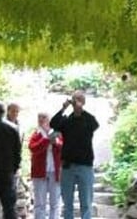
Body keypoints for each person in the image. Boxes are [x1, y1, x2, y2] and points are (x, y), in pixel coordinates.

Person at [50, 90, 99, 219]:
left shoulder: (88, 120)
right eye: (74, 99)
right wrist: (63, 107)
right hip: (68, 166)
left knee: (86, 203)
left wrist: (81, 110)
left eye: (79, 99)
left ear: (83, 102)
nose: (76, 102)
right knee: (67, 203)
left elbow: (95, 125)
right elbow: (53, 124)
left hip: (85, 166)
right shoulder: (67, 120)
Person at [0, 102, 23, 219]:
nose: (15, 114)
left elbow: (18, 149)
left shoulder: (19, 126)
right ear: (8, 111)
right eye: (13, 111)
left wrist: (17, 166)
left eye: (17, 111)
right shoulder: (2, 125)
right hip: (0, 167)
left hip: (13, 167)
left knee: (11, 197)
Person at [29, 112, 63, 219]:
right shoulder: (36, 134)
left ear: (49, 119)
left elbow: (63, 148)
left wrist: (55, 142)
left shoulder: (57, 133)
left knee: (55, 202)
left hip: (55, 171)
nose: (41, 119)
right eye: (39, 117)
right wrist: (47, 140)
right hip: (39, 172)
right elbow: (33, 148)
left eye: (44, 117)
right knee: (39, 203)